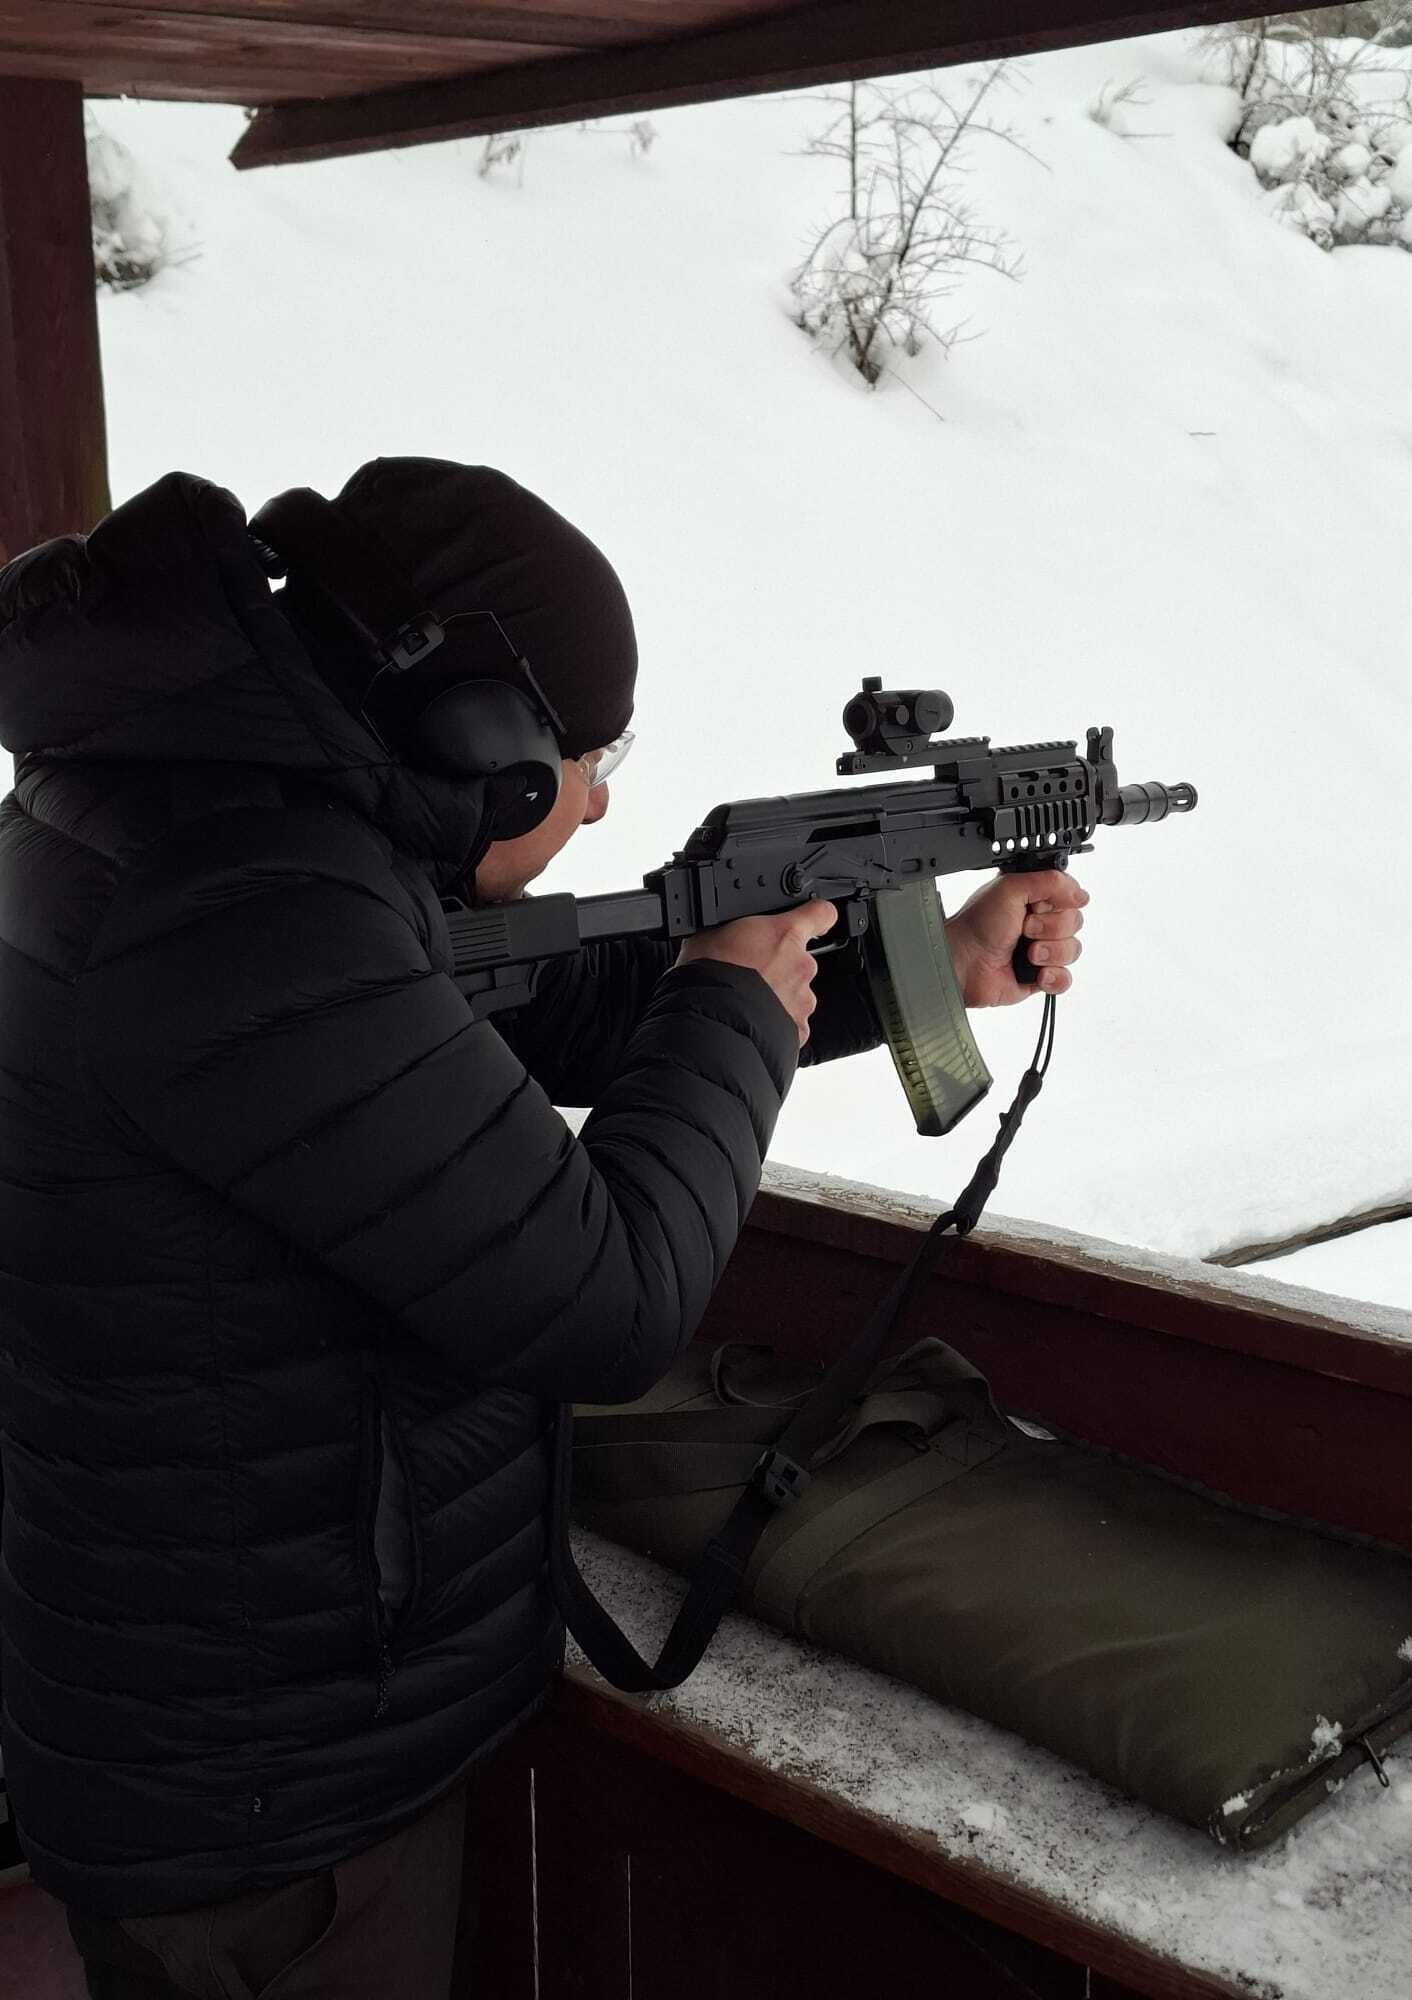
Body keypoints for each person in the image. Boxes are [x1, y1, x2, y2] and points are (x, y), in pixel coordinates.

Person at [0, 457, 1086, 1999]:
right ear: (484, 748)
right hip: (270, 1810)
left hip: (232, 1717)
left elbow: (514, 1011)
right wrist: (728, 1008)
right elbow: (611, 1297)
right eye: (589, 757)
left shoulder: (212, 820)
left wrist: (892, 971)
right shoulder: (253, 911)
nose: (597, 800)